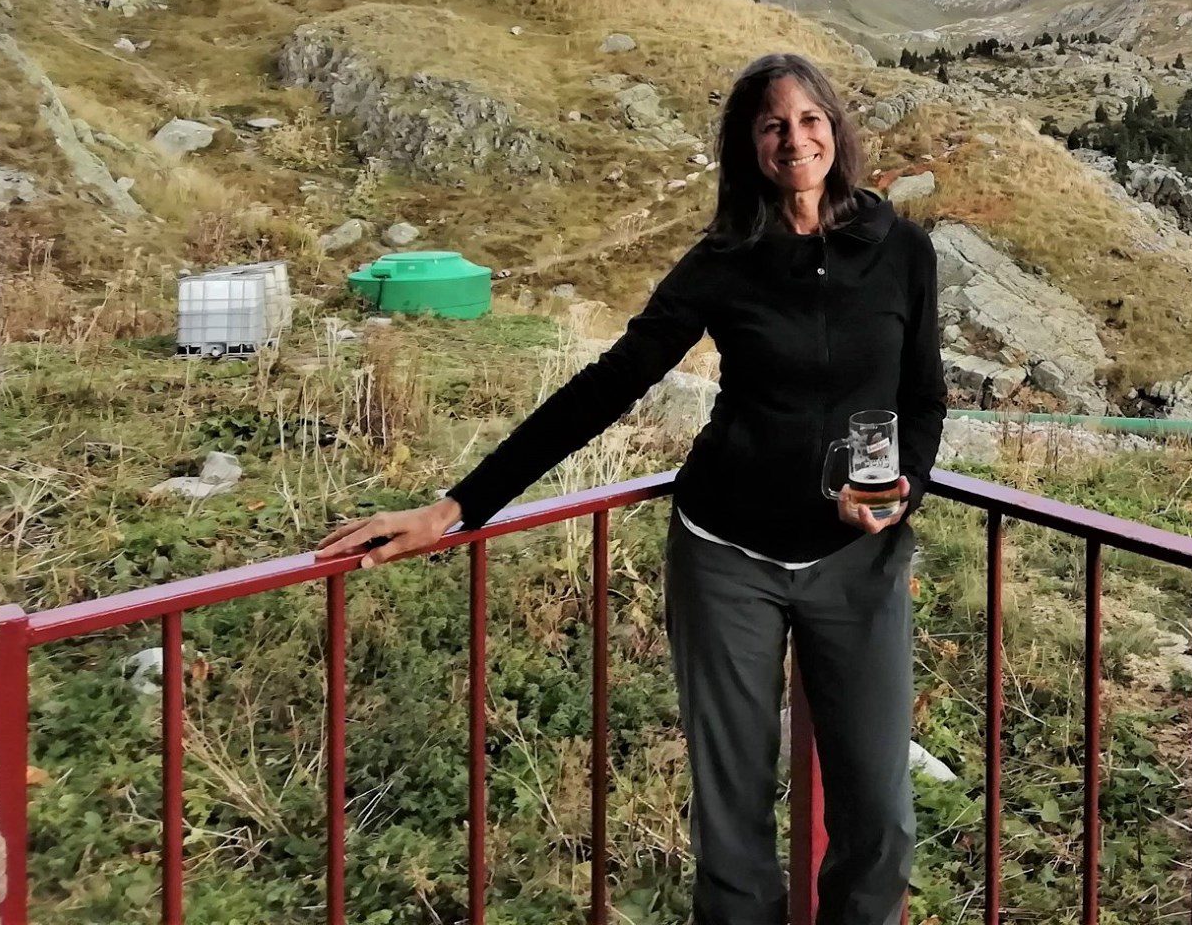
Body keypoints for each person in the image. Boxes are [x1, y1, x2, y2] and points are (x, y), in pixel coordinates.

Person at [317, 51, 948, 925]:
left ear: (836, 130)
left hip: (857, 558)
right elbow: (609, 385)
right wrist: (457, 507)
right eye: (773, 125)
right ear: (749, 146)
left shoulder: (903, 250)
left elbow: (923, 398)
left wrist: (904, 491)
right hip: (728, 557)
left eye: (809, 119)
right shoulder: (723, 261)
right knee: (733, 829)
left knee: (880, 823)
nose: (795, 139)